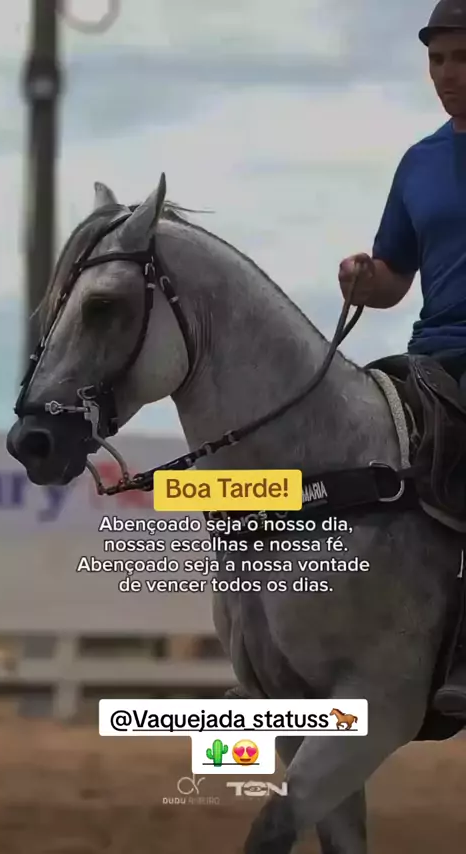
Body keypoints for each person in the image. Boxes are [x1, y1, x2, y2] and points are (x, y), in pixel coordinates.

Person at [338, 0, 466, 718]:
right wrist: (363, 278)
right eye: (437, 60)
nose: (447, 74)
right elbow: (393, 276)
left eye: (462, 58)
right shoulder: (419, 162)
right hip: (428, 360)